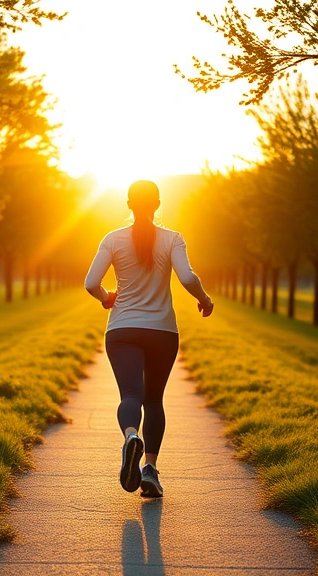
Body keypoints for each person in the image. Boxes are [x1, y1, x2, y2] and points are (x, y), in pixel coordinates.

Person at [84, 180, 214, 498]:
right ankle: (150, 471)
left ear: (128, 204)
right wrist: (205, 299)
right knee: (153, 400)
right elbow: (187, 277)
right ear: (157, 204)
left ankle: (131, 436)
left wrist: (106, 297)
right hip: (162, 331)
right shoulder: (173, 239)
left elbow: (90, 282)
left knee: (131, 396)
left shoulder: (113, 239)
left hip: (122, 330)